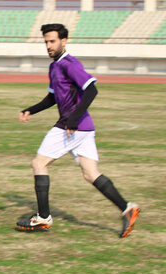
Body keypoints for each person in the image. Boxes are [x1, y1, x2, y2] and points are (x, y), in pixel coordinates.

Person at [16, 23, 140, 238]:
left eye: (52, 41)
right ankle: (127, 208)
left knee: (39, 163)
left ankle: (43, 217)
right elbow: (53, 97)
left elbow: (92, 89)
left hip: (72, 126)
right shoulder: (54, 66)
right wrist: (31, 110)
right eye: (46, 41)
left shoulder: (70, 64)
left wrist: (72, 120)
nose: (48, 46)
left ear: (64, 41)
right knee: (91, 174)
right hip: (83, 128)